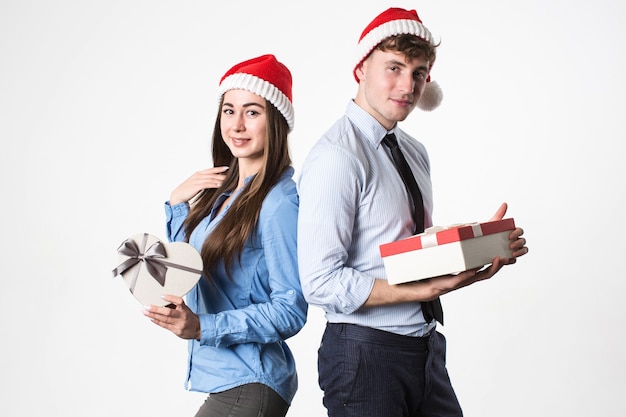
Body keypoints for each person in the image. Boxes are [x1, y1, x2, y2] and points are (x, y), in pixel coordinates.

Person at [297, 7, 529, 417]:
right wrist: (419, 292)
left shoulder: (413, 151)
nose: (408, 85)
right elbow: (319, 281)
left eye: (419, 72)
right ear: (361, 69)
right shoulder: (337, 157)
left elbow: (401, 248)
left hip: (424, 348)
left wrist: (469, 246)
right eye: (394, 68)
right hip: (365, 354)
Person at [142, 54, 308, 417]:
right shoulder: (222, 195)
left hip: (249, 383)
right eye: (229, 111)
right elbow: (189, 271)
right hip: (229, 381)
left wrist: (203, 326)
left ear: (275, 121)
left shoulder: (279, 203)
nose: (237, 125)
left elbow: (290, 310)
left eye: (252, 112)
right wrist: (177, 205)